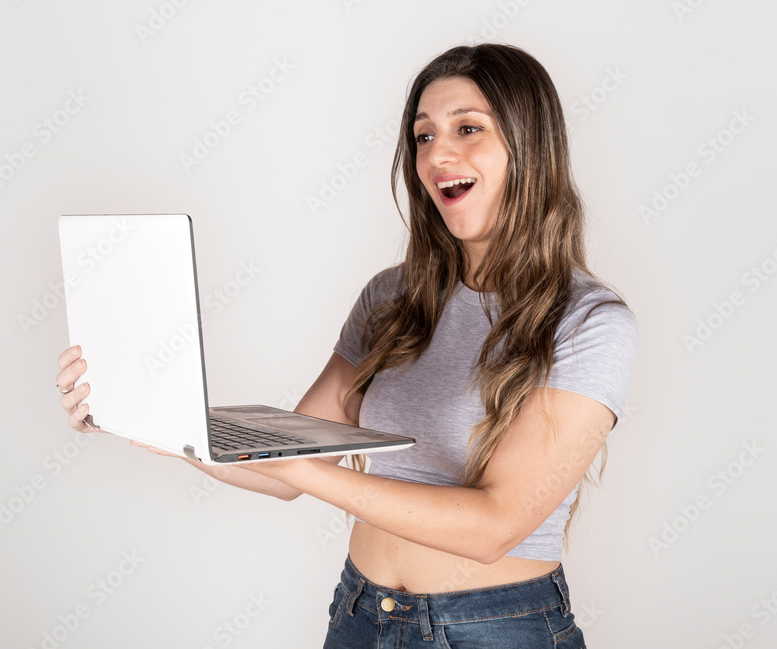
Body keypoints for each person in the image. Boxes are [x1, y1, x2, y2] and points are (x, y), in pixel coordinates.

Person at [55, 43, 638, 647]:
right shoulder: (392, 297)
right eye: (423, 136)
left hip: (493, 629)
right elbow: (283, 475)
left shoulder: (589, 324)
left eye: (468, 129)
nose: (437, 154)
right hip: (362, 614)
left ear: (531, 146)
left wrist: (298, 467)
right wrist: (153, 417)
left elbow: (495, 526)